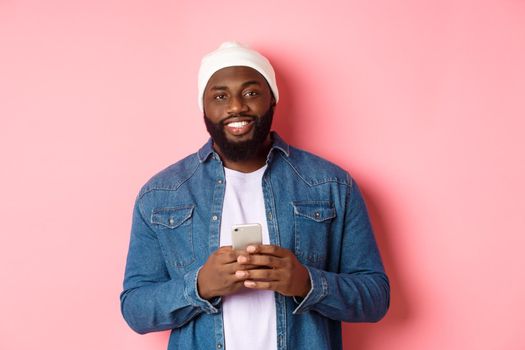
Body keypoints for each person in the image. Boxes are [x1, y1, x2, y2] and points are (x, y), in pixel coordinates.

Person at [120, 41, 390, 350]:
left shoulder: (332, 185)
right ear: (204, 106)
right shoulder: (161, 194)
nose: (236, 106)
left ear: (272, 99)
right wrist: (199, 286)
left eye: (251, 93)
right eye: (220, 96)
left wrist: (307, 283)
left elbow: (375, 298)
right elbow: (135, 310)